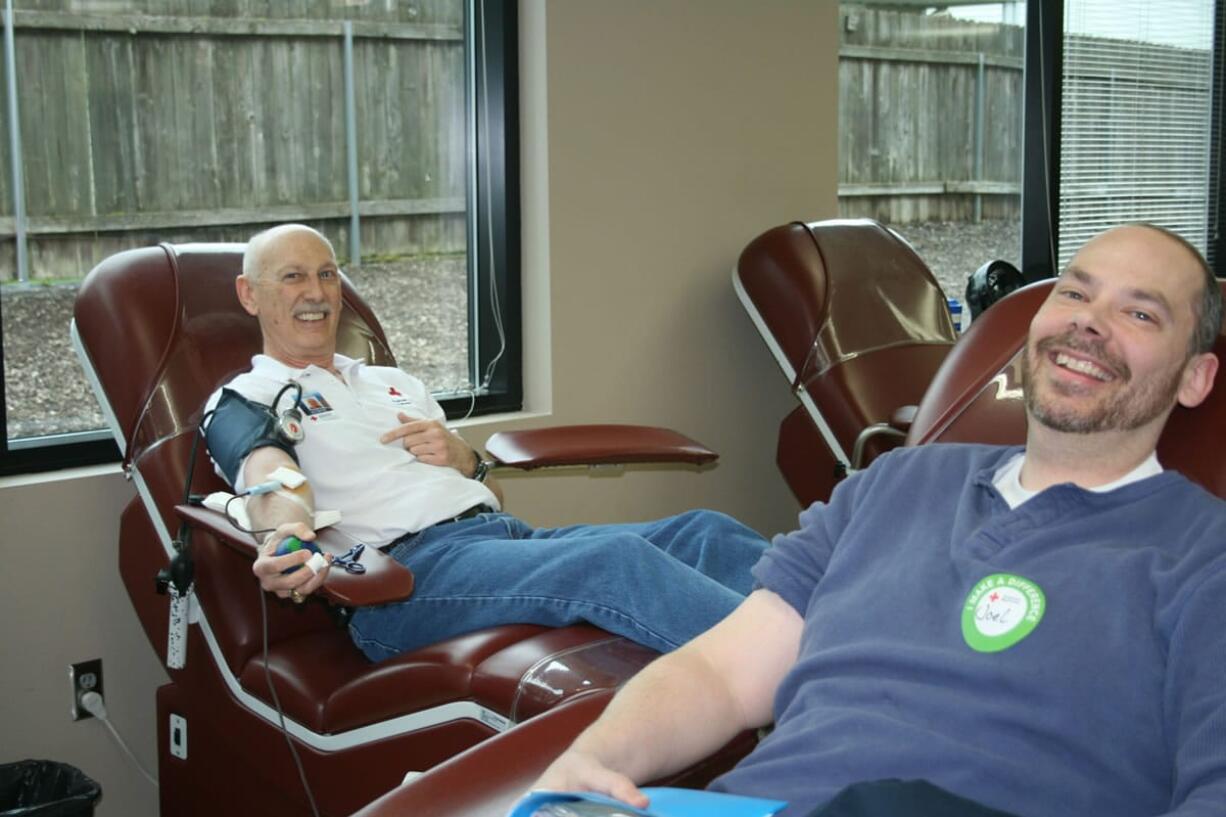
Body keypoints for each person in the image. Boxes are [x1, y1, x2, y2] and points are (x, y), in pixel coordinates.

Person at [533, 224, 1226, 817]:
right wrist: (592, 759)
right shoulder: (895, 482)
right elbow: (718, 672)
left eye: (1141, 314)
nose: (1089, 321)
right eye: (1074, 291)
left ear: (1195, 377)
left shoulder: (1202, 558)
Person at [202, 223, 769, 660]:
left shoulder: (392, 383)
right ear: (250, 294)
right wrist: (287, 529)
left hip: (501, 541)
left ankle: (844, 638)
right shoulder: (247, 396)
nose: (317, 292)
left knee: (706, 532)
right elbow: (271, 475)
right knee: (613, 562)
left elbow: (483, 487)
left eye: (327, 274)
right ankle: (798, 675)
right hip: (402, 582)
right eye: (293, 276)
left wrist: (466, 458)